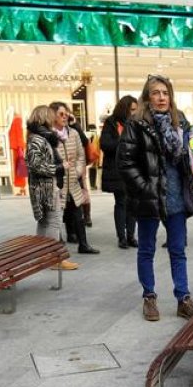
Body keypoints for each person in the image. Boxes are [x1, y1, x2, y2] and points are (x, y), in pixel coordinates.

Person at [117, 74, 193, 321]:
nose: (162, 97)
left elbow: (190, 156)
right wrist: (144, 188)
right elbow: (125, 163)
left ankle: (183, 298)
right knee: (146, 249)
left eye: (165, 93)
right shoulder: (137, 124)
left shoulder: (180, 120)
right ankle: (149, 297)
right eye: (156, 93)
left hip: (176, 196)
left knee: (178, 250)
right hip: (150, 197)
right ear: (147, 97)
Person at [25, 105, 80, 271]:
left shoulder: (41, 137)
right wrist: (59, 167)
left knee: (45, 222)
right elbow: (35, 165)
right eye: (51, 116)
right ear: (44, 117)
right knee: (53, 221)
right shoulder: (38, 139)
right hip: (45, 188)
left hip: (45, 186)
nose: (53, 118)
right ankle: (54, 259)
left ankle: (43, 256)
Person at [50, 101, 99, 254]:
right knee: (57, 214)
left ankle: (83, 244)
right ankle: (58, 249)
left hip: (73, 180)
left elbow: (80, 155)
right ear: (53, 116)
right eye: (61, 114)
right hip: (58, 182)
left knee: (78, 212)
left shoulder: (73, 133)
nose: (65, 117)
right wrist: (58, 170)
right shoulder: (49, 136)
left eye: (66, 114)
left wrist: (78, 171)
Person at [101, 95, 139, 248]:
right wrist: (124, 141)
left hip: (133, 169)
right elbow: (105, 144)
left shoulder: (136, 123)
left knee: (133, 202)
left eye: (136, 110)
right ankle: (122, 237)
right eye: (132, 110)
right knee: (122, 202)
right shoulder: (111, 122)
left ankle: (131, 235)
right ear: (124, 109)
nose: (134, 113)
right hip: (117, 169)